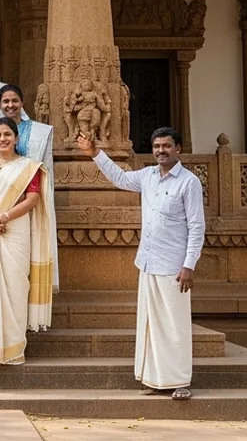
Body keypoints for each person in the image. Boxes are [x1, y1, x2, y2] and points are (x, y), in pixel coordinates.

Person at [79, 126, 204, 400]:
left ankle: (180, 380)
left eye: (167, 146)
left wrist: (189, 264)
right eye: (157, 146)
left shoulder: (188, 182)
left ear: (178, 149)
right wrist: (94, 153)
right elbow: (120, 178)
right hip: (148, 261)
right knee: (151, 325)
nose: (161, 150)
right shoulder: (147, 176)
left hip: (175, 266)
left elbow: (196, 227)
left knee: (175, 325)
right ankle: (155, 379)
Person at [0, 117, 54, 365]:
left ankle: (11, 349)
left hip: (14, 230)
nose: (2, 139)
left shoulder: (29, 167)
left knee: (15, 286)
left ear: (16, 138)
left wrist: (3, 216)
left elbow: (32, 199)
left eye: (7, 135)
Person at [0, 84, 60, 293]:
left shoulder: (39, 132)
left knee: (31, 251)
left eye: (14, 101)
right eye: (5, 101)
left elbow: (46, 171)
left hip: (32, 200)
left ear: (22, 103)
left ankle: (32, 303)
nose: (10, 105)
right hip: (3, 202)